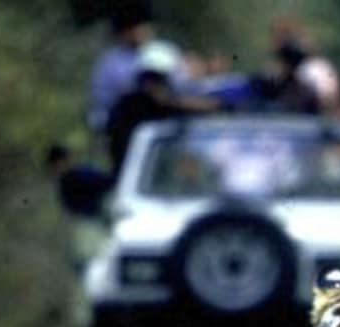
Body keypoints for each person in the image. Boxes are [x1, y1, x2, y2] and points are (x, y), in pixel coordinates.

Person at [105, 42, 217, 172]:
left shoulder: (182, 107)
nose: (152, 85)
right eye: (148, 77)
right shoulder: (125, 109)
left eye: (158, 78)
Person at [85, 5, 168, 132]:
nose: (140, 31)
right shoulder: (110, 63)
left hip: (165, 122)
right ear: (124, 32)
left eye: (142, 26)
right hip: (126, 125)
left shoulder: (164, 52)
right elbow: (101, 101)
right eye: (135, 28)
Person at [45, 144, 114, 218]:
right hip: (109, 212)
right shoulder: (66, 192)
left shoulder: (81, 169)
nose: (67, 161)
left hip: (117, 197)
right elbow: (89, 210)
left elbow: (107, 180)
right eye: (62, 160)